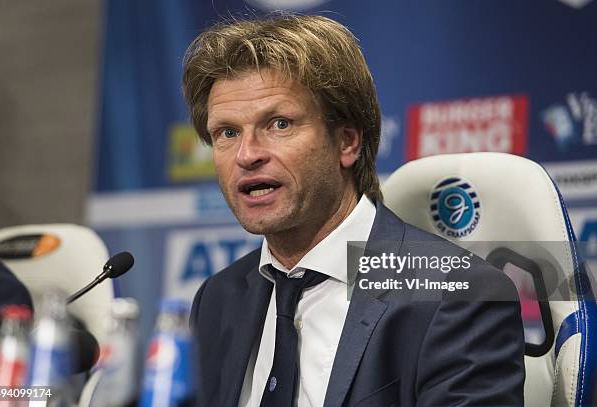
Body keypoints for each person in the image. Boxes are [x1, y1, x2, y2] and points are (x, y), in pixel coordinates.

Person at [183, 14, 525, 407]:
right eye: (227, 133)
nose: (247, 155)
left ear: (347, 142)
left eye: (279, 124)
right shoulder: (218, 298)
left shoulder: (458, 296)